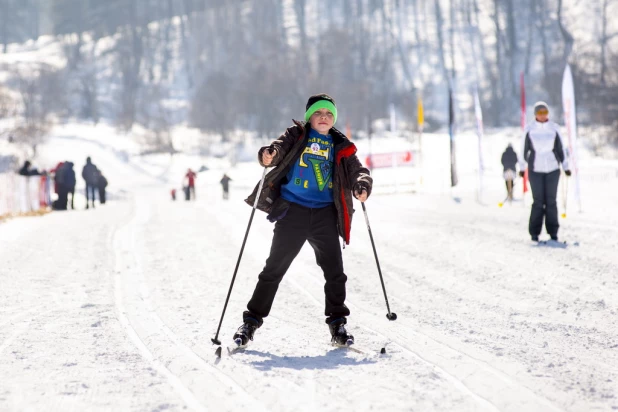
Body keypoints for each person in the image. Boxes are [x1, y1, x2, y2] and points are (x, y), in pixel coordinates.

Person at [234, 93, 373, 347]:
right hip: (293, 212)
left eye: (329, 114)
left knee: (335, 273)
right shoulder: (297, 135)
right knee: (273, 269)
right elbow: (276, 149)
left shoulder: (340, 145)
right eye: (319, 113)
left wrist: (361, 184)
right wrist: (268, 154)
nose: (324, 117)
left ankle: (338, 324)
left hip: (325, 215)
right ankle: (251, 321)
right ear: (309, 117)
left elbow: (358, 171)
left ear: (334, 119)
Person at [519, 101, 571, 242]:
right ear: (535, 114)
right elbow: (523, 149)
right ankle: (534, 232)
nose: (542, 115)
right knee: (538, 201)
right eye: (540, 113)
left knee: (551, 201)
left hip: (552, 168)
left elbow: (561, 148)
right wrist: (522, 167)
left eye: (545, 112)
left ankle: (553, 231)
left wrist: (566, 167)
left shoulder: (554, 128)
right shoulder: (530, 129)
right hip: (535, 169)